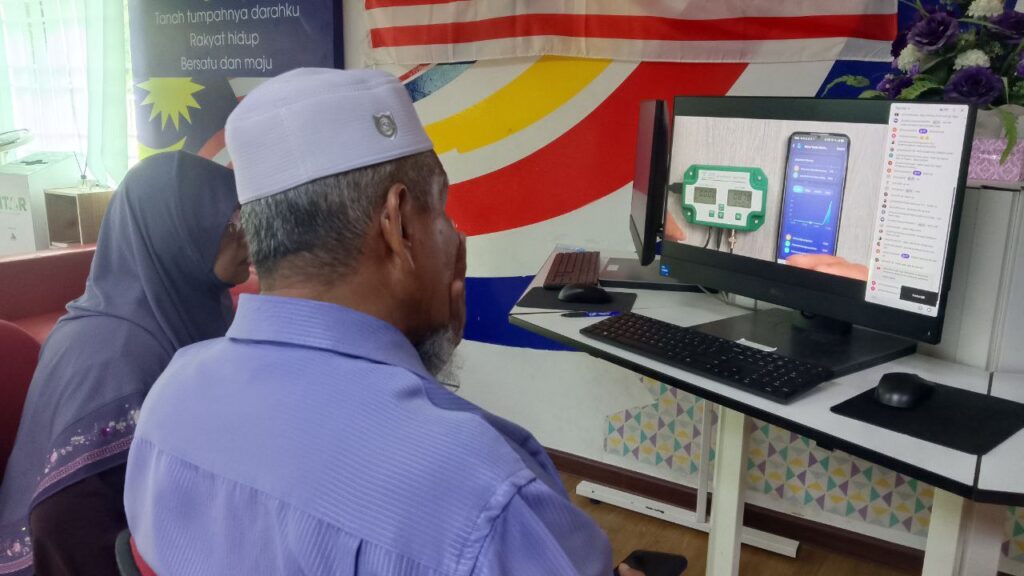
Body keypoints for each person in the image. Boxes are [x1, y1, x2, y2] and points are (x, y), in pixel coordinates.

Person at [124, 68, 658, 575]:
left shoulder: (168, 399)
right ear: (398, 224)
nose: (454, 236)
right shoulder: (483, 500)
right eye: (442, 211)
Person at [0, 151, 249, 576]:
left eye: (245, 219)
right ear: (175, 231)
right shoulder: (116, 355)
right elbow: (63, 523)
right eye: (231, 224)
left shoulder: (188, 307)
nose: (248, 237)